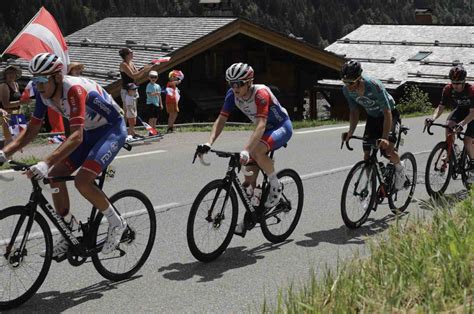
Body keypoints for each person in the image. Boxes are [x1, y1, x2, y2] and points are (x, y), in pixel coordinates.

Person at [0, 53, 128, 258]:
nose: (38, 85)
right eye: (35, 80)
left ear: (57, 77)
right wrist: (4, 154)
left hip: (111, 129)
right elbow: (32, 130)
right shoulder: (43, 94)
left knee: (82, 181)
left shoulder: (74, 90)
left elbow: (75, 137)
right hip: (89, 131)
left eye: (42, 79)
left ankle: (116, 222)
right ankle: (70, 227)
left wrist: (44, 162)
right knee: (55, 174)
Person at [198, 62, 293, 237]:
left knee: (256, 152)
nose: (234, 88)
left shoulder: (261, 94)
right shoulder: (232, 95)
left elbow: (262, 124)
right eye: (231, 84)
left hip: (281, 127)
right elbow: (221, 120)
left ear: (249, 82)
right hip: (262, 130)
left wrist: (247, 150)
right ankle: (251, 216)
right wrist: (209, 142)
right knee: (249, 181)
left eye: (238, 84)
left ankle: (276, 185)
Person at [340, 60, 406, 190]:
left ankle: (400, 169)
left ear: (359, 78)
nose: (348, 86)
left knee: (387, 151)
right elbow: (354, 111)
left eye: (351, 83)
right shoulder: (347, 91)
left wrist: (385, 137)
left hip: (389, 115)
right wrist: (350, 133)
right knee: (366, 155)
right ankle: (372, 188)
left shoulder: (373, 85)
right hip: (373, 117)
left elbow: (387, 112)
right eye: (345, 82)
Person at [425, 65, 474, 182]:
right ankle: (449, 152)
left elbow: (472, 113)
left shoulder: (471, 90)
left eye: (458, 83)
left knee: (467, 140)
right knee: (449, 125)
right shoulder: (447, 89)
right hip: (461, 109)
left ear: (464, 82)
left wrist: (462, 124)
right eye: (453, 83)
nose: (455, 86)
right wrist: (432, 119)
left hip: (473, 113)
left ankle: (473, 165)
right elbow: (440, 107)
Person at [0, 65, 22, 146]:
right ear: (5, 75)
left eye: (12, 73)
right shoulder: (4, 86)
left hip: (17, 115)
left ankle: (10, 157)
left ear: (16, 74)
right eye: (8, 73)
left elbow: (17, 101)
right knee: (9, 139)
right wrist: (22, 102)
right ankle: (5, 157)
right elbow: (6, 105)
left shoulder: (16, 84)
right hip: (6, 115)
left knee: (16, 139)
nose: (10, 75)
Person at [146, 70, 163, 135]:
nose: (153, 78)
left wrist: (161, 104)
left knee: (155, 118)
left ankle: (154, 130)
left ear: (157, 78)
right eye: (152, 77)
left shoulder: (158, 86)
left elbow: (160, 95)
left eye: (155, 77)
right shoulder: (149, 85)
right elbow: (149, 94)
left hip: (156, 103)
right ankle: (150, 131)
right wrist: (156, 93)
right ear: (149, 78)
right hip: (150, 103)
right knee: (151, 118)